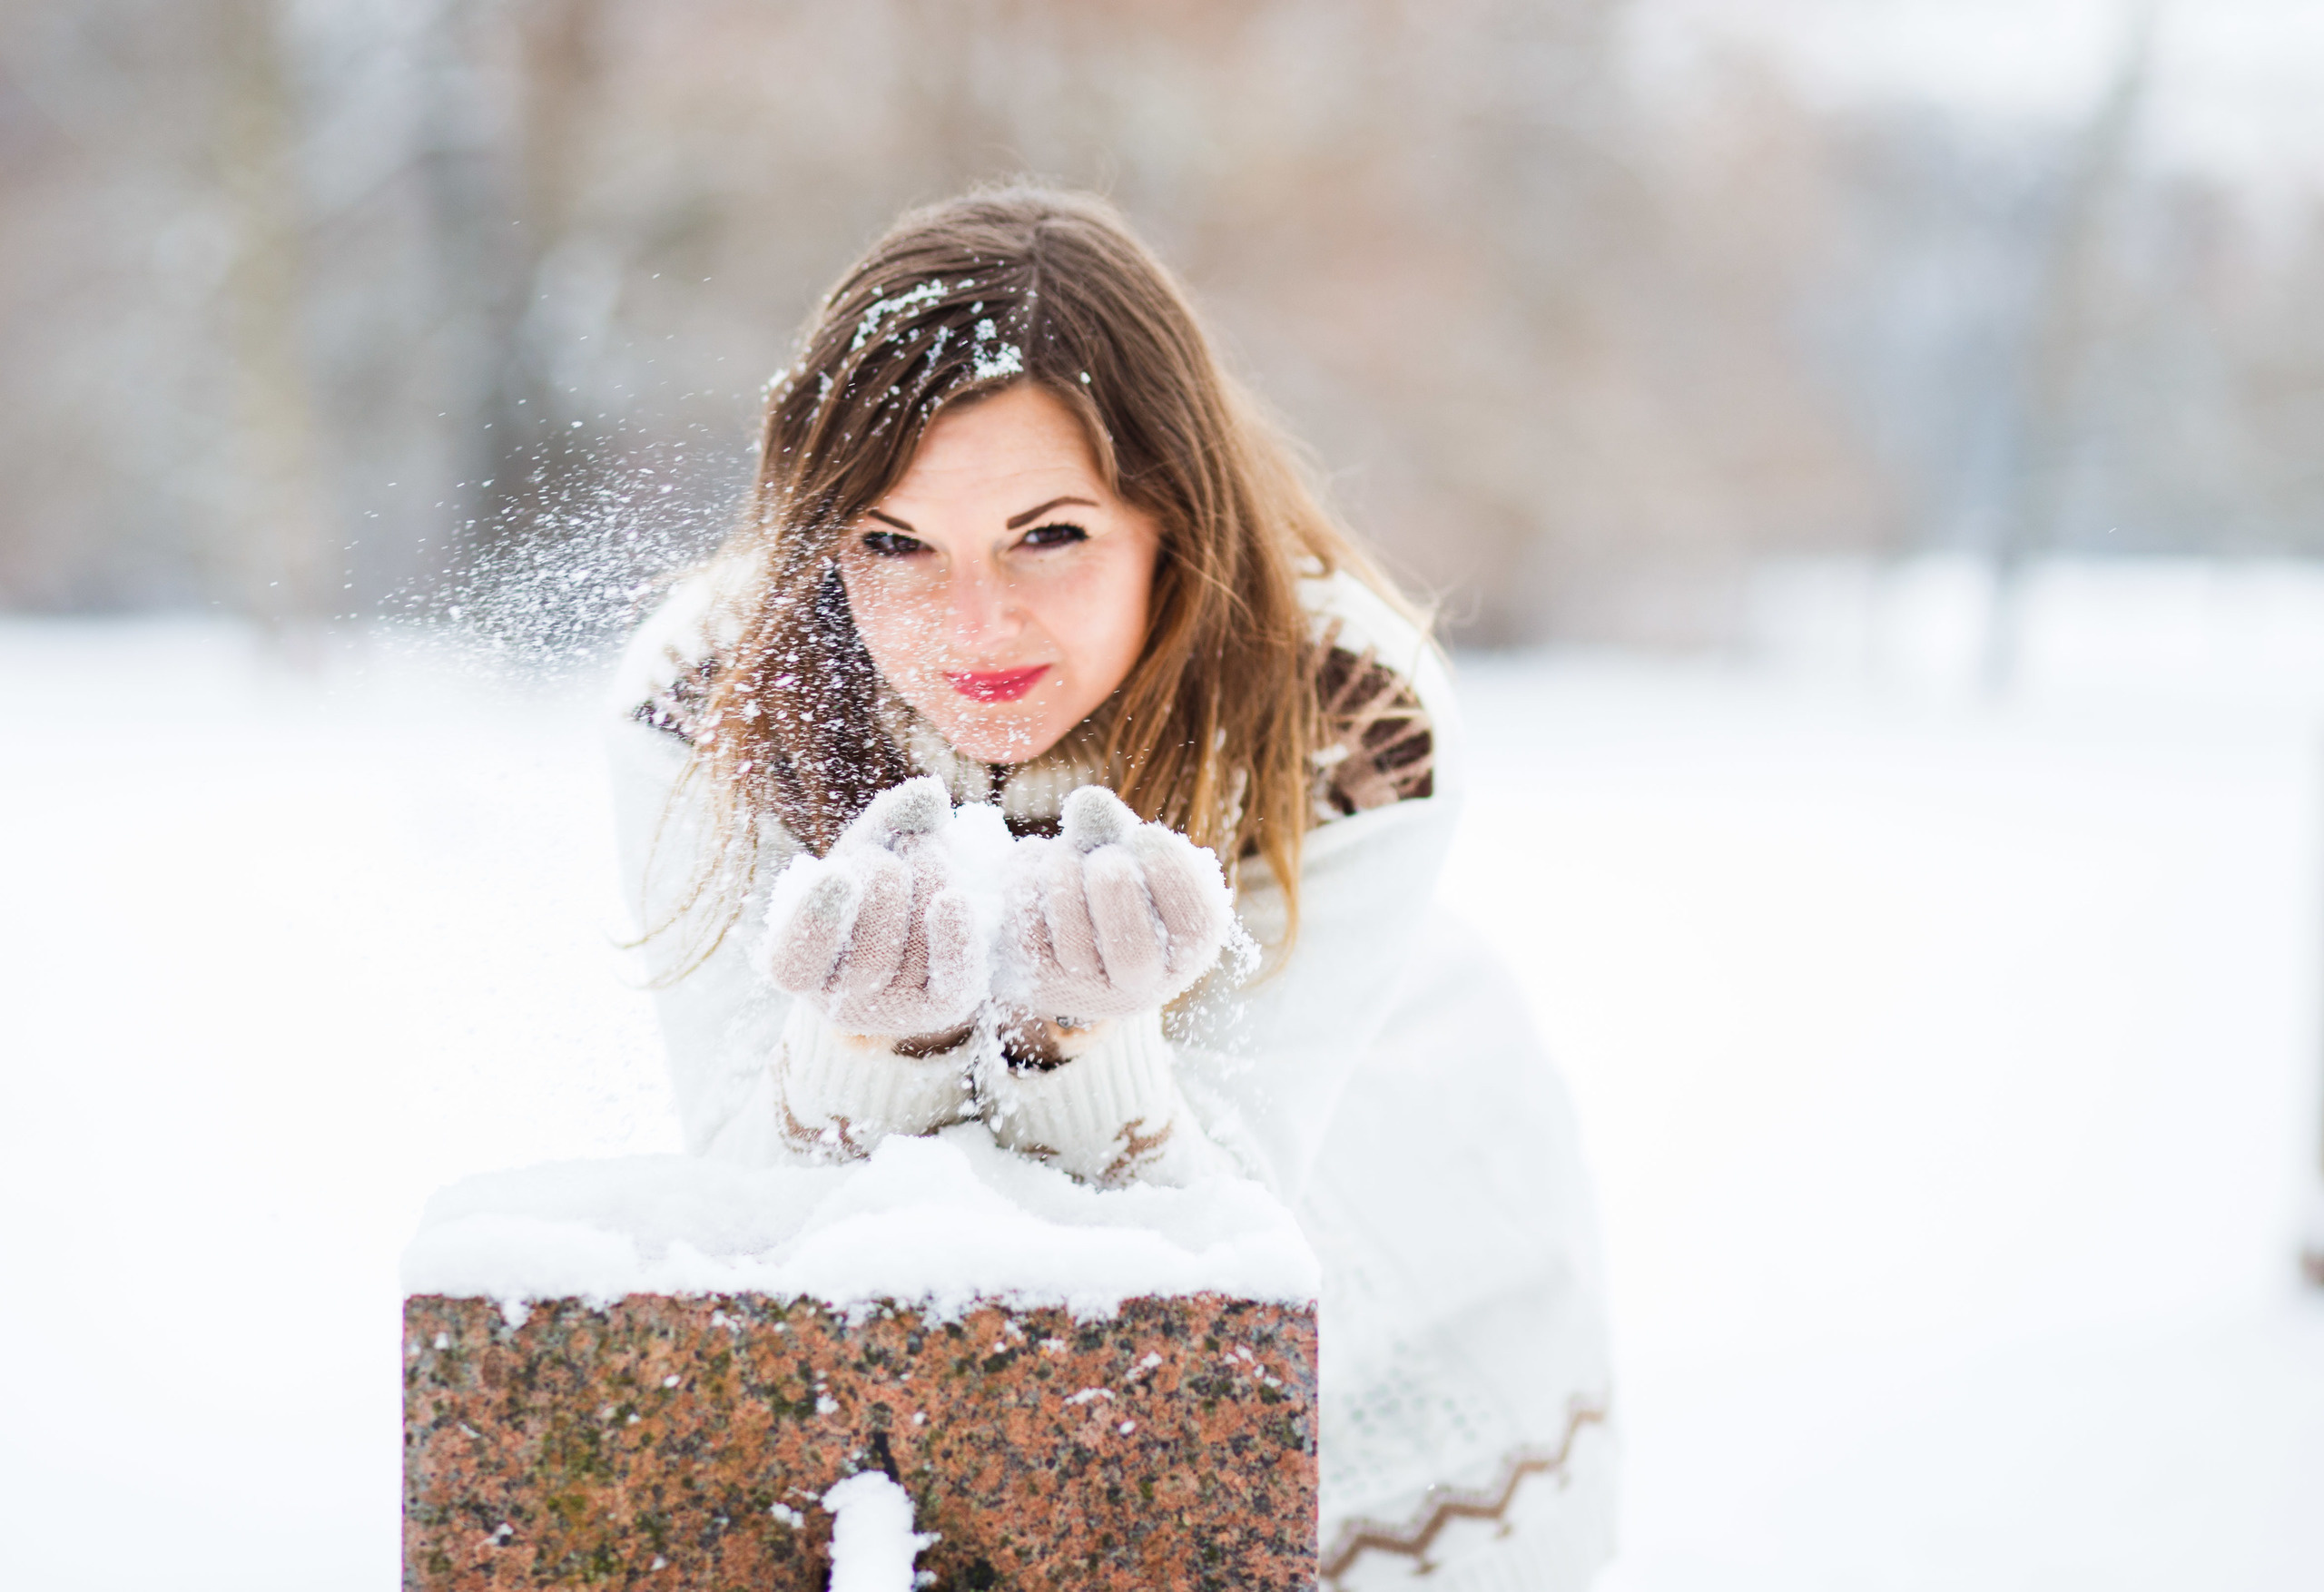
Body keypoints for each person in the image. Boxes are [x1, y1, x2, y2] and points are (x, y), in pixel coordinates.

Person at [606, 185, 1615, 1590]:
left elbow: (1241, 1221)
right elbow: (746, 1196)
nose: (975, 625)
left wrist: (1082, 1041)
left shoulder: (1351, 713)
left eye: (1050, 534)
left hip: (1389, 1234)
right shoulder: (710, 694)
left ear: (1170, 517)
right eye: (894, 543)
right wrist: (867, 1041)